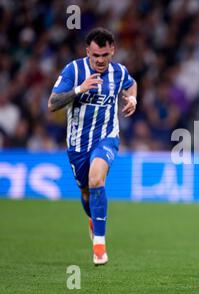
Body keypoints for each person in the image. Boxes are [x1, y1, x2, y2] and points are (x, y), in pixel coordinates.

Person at [48, 28, 137, 265]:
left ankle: (99, 244)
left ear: (112, 51)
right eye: (95, 55)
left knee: (97, 179)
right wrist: (79, 89)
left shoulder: (119, 71)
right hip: (77, 144)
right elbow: (52, 104)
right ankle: (93, 220)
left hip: (107, 137)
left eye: (105, 55)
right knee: (86, 191)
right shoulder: (74, 70)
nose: (100, 60)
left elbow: (131, 84)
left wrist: (132, 99)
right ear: (88, 51)